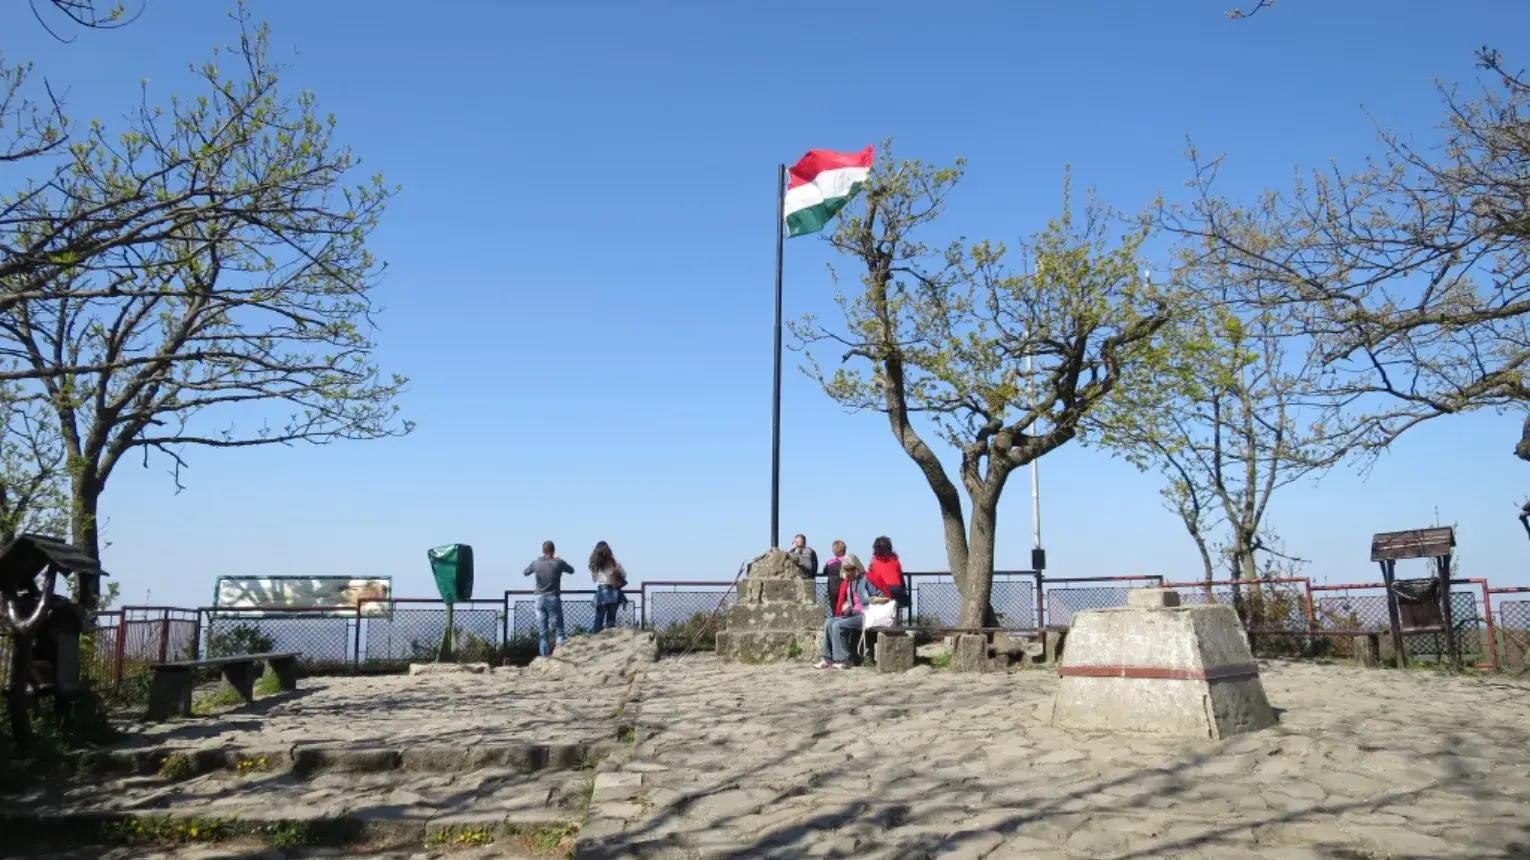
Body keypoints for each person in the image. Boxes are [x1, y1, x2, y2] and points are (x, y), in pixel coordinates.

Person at [817, 554, 878, 669]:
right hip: (854, 613)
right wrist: (847, 607)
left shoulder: (865, 580)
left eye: (851, 569)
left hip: (866, 614)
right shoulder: (849, 583)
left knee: (838, 625)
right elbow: (851, 602)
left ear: (857, 567)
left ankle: (843, 659)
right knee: (829, 622)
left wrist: (872, 601)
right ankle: (827, 658)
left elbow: (879, 596)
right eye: (846, 569)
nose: (849, 572)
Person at [523, 541, 574, 656]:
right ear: (553, 550)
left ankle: (544, 657)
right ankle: (561, 655)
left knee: (543, 632)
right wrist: (558, 561)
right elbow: (571, 570)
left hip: (539, 598)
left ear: (543, 550)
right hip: (553, 597)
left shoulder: (536, 562)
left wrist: (537, 565)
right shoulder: (558, 562)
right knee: (559, 629)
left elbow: (526, 572)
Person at [588, 540, 627, 634]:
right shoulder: (613, 562)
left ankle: (595, 637)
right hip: (614, 592)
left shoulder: (594, 565)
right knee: (611, 618)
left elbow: (594, 580)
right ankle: (609, 638)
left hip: (602, 592)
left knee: (599, 618)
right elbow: (624, 575)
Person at [868, 536, 908, 617]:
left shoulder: (874, 561)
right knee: (896, 605)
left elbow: (871, 577)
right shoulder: (895, 560)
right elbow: (900, 576)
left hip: (882, 591)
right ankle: (896, 619)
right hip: (897, 590)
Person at [821, 540, 846, 618]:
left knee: (834, 609)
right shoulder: (848, 560)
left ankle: (835, 621)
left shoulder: (830, 562)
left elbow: (824, 572)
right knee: (845, 608)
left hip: (832, 588)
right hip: (845, 588)